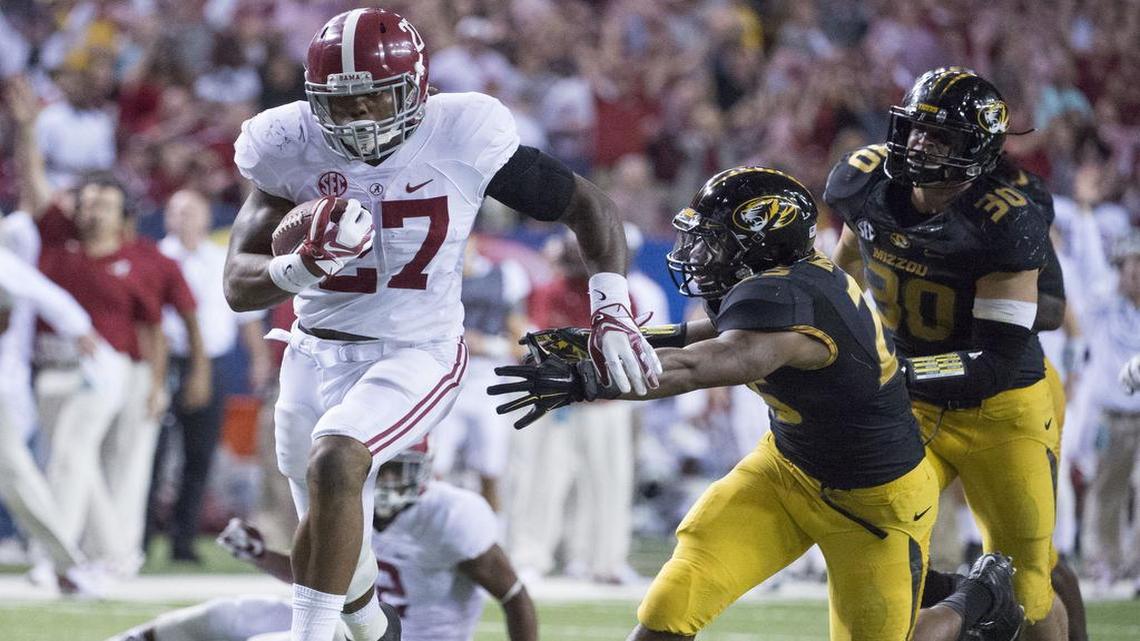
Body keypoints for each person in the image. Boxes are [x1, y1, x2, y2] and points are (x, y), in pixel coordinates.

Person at [222, 8, 660, 641]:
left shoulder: (461, 132)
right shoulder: (285, 144)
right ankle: (372, 629)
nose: (359, 117)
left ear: (416, 88)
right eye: (341, 102)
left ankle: (307, 635)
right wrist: (301, 266)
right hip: (310, 352)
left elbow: (587, 205)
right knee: (336, 542)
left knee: (338, 457)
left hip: (415, 349)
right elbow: (238, 284)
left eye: (375, 96)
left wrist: (611, 306)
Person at [490, 166, 1023, 641]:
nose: (699, 254)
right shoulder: (777, 281)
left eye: (714, 241)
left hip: (874, 501)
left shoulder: (794, 300)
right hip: (787, 471)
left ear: (762, 244)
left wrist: (589, 378)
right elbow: (705, 333)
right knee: (671, 603)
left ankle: (978, 598)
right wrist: (602, 341)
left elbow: (706, 363)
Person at [827, 67, 1071, 641]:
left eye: (939, 136)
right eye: (916, 128)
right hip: (913, 402)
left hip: (1001, 407)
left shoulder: (1008, 217)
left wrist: (889, 370)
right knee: (873, 540)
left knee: (1030, 589)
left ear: (976, 147)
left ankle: (988, 596)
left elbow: (998, 359)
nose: (919, 143)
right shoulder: (866, 184)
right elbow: (844, 273)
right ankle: (970, 595)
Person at [108, 443, 537, 641]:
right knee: (231, 616)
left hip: (410, 636)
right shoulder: (344, 498)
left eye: (398, 468)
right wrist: (260, 555)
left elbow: (514, 597)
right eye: (383, 467)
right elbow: (318, 578)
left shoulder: (451, 515)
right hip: (344, 620)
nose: (388, 479)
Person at [149, 189, 271, 563]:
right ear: (166, 218)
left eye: (191, 211)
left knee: (199, 454)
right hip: (164, 362)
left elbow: (247, 316)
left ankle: (183, 542)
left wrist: (259, 358)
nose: (183, 218)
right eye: (176, 211)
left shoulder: (222, 259)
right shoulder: (155, 258)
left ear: (207, 217)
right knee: (153, 454)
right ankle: (140, 538)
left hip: (212, 364)